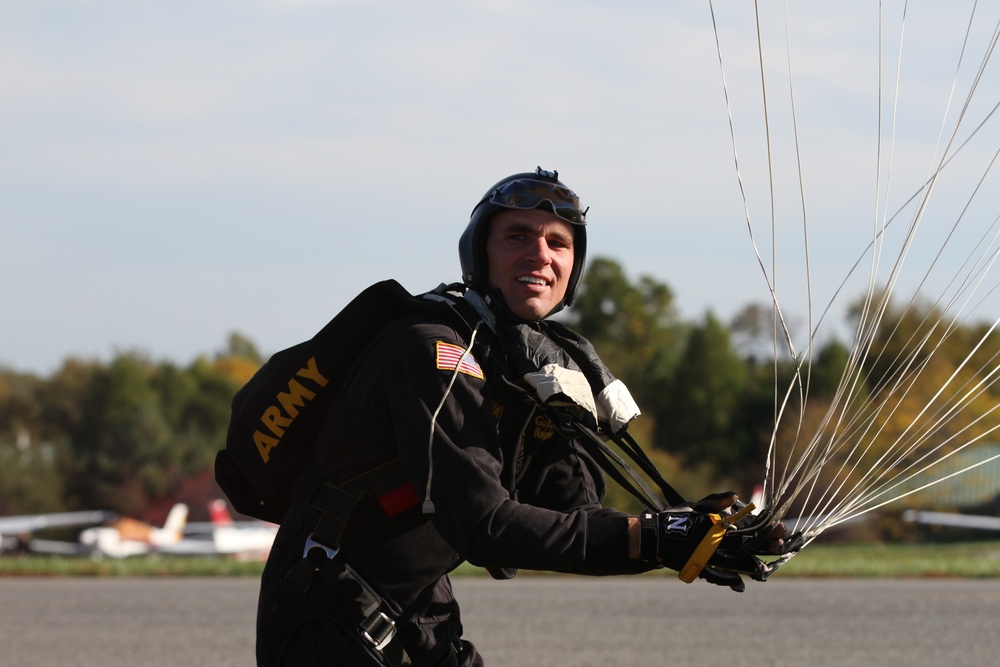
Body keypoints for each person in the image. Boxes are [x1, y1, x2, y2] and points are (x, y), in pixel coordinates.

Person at [254, 167, 784, 666]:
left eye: (559, 242)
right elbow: (484, 523)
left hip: (416, 608)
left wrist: (693, 531)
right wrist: (655, 537)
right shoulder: (433, 352)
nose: (540, 255)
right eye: (518, 237)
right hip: (330, 609)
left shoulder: (526, 366)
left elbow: (574, 514)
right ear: (480, 255)